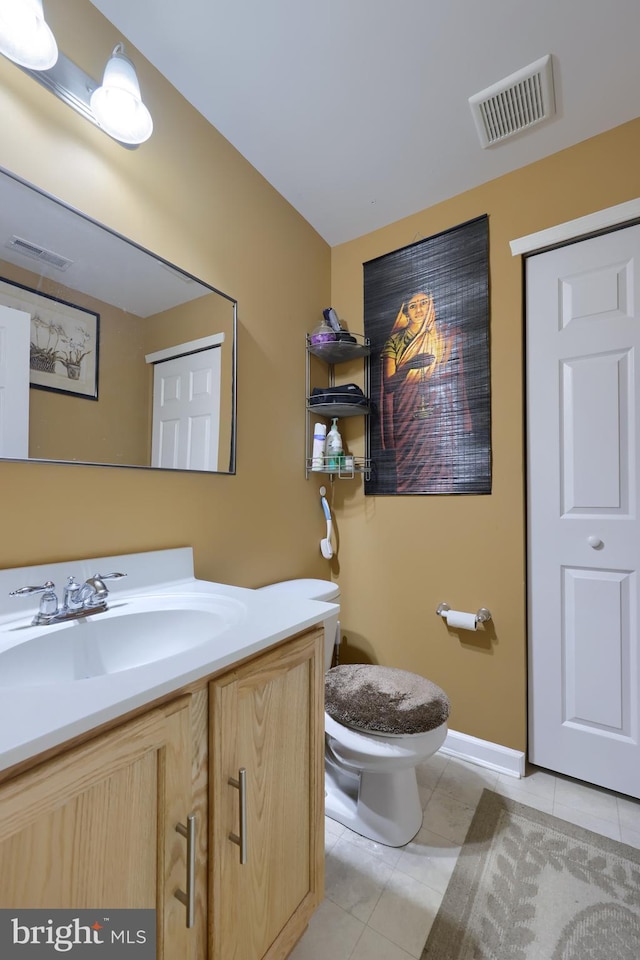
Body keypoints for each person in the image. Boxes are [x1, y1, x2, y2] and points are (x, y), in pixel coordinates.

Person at [379, 290, 471, 493]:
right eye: (413, 305)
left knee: (441, 468)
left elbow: (454, 380)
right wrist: (409, 366)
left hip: (437, 417)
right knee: (409, 472)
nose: (419, 309)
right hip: (407, 416)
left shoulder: (446, 336)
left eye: (423, 303)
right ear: (405, 311)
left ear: (431, 305)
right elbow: (389, 384)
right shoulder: (394, 341)